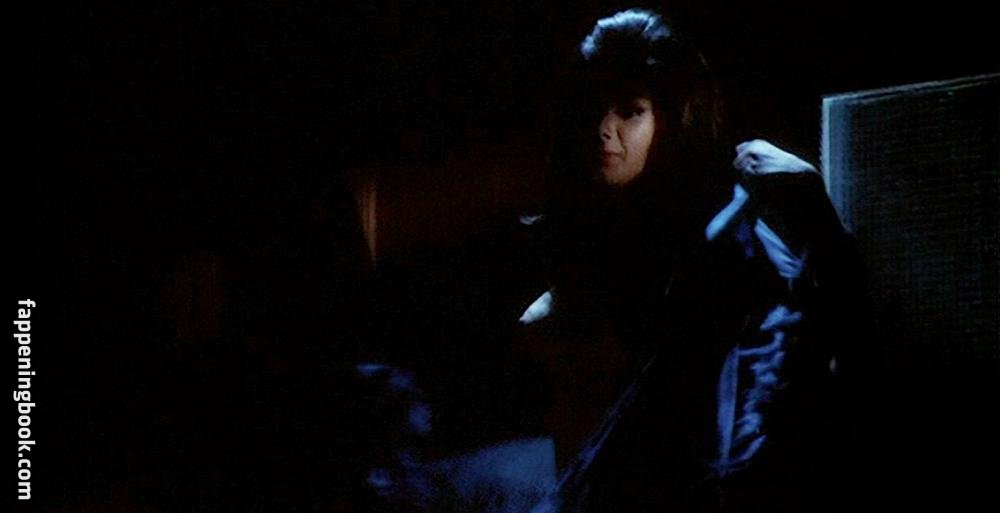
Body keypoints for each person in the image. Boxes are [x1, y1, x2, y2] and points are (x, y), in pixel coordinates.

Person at [358, 8, 869, 513]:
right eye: (595, 108)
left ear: (671, 117)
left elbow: (761, 391)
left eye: (630, 111)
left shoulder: (723, 236)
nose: (605, 129)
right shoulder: (588, 216)